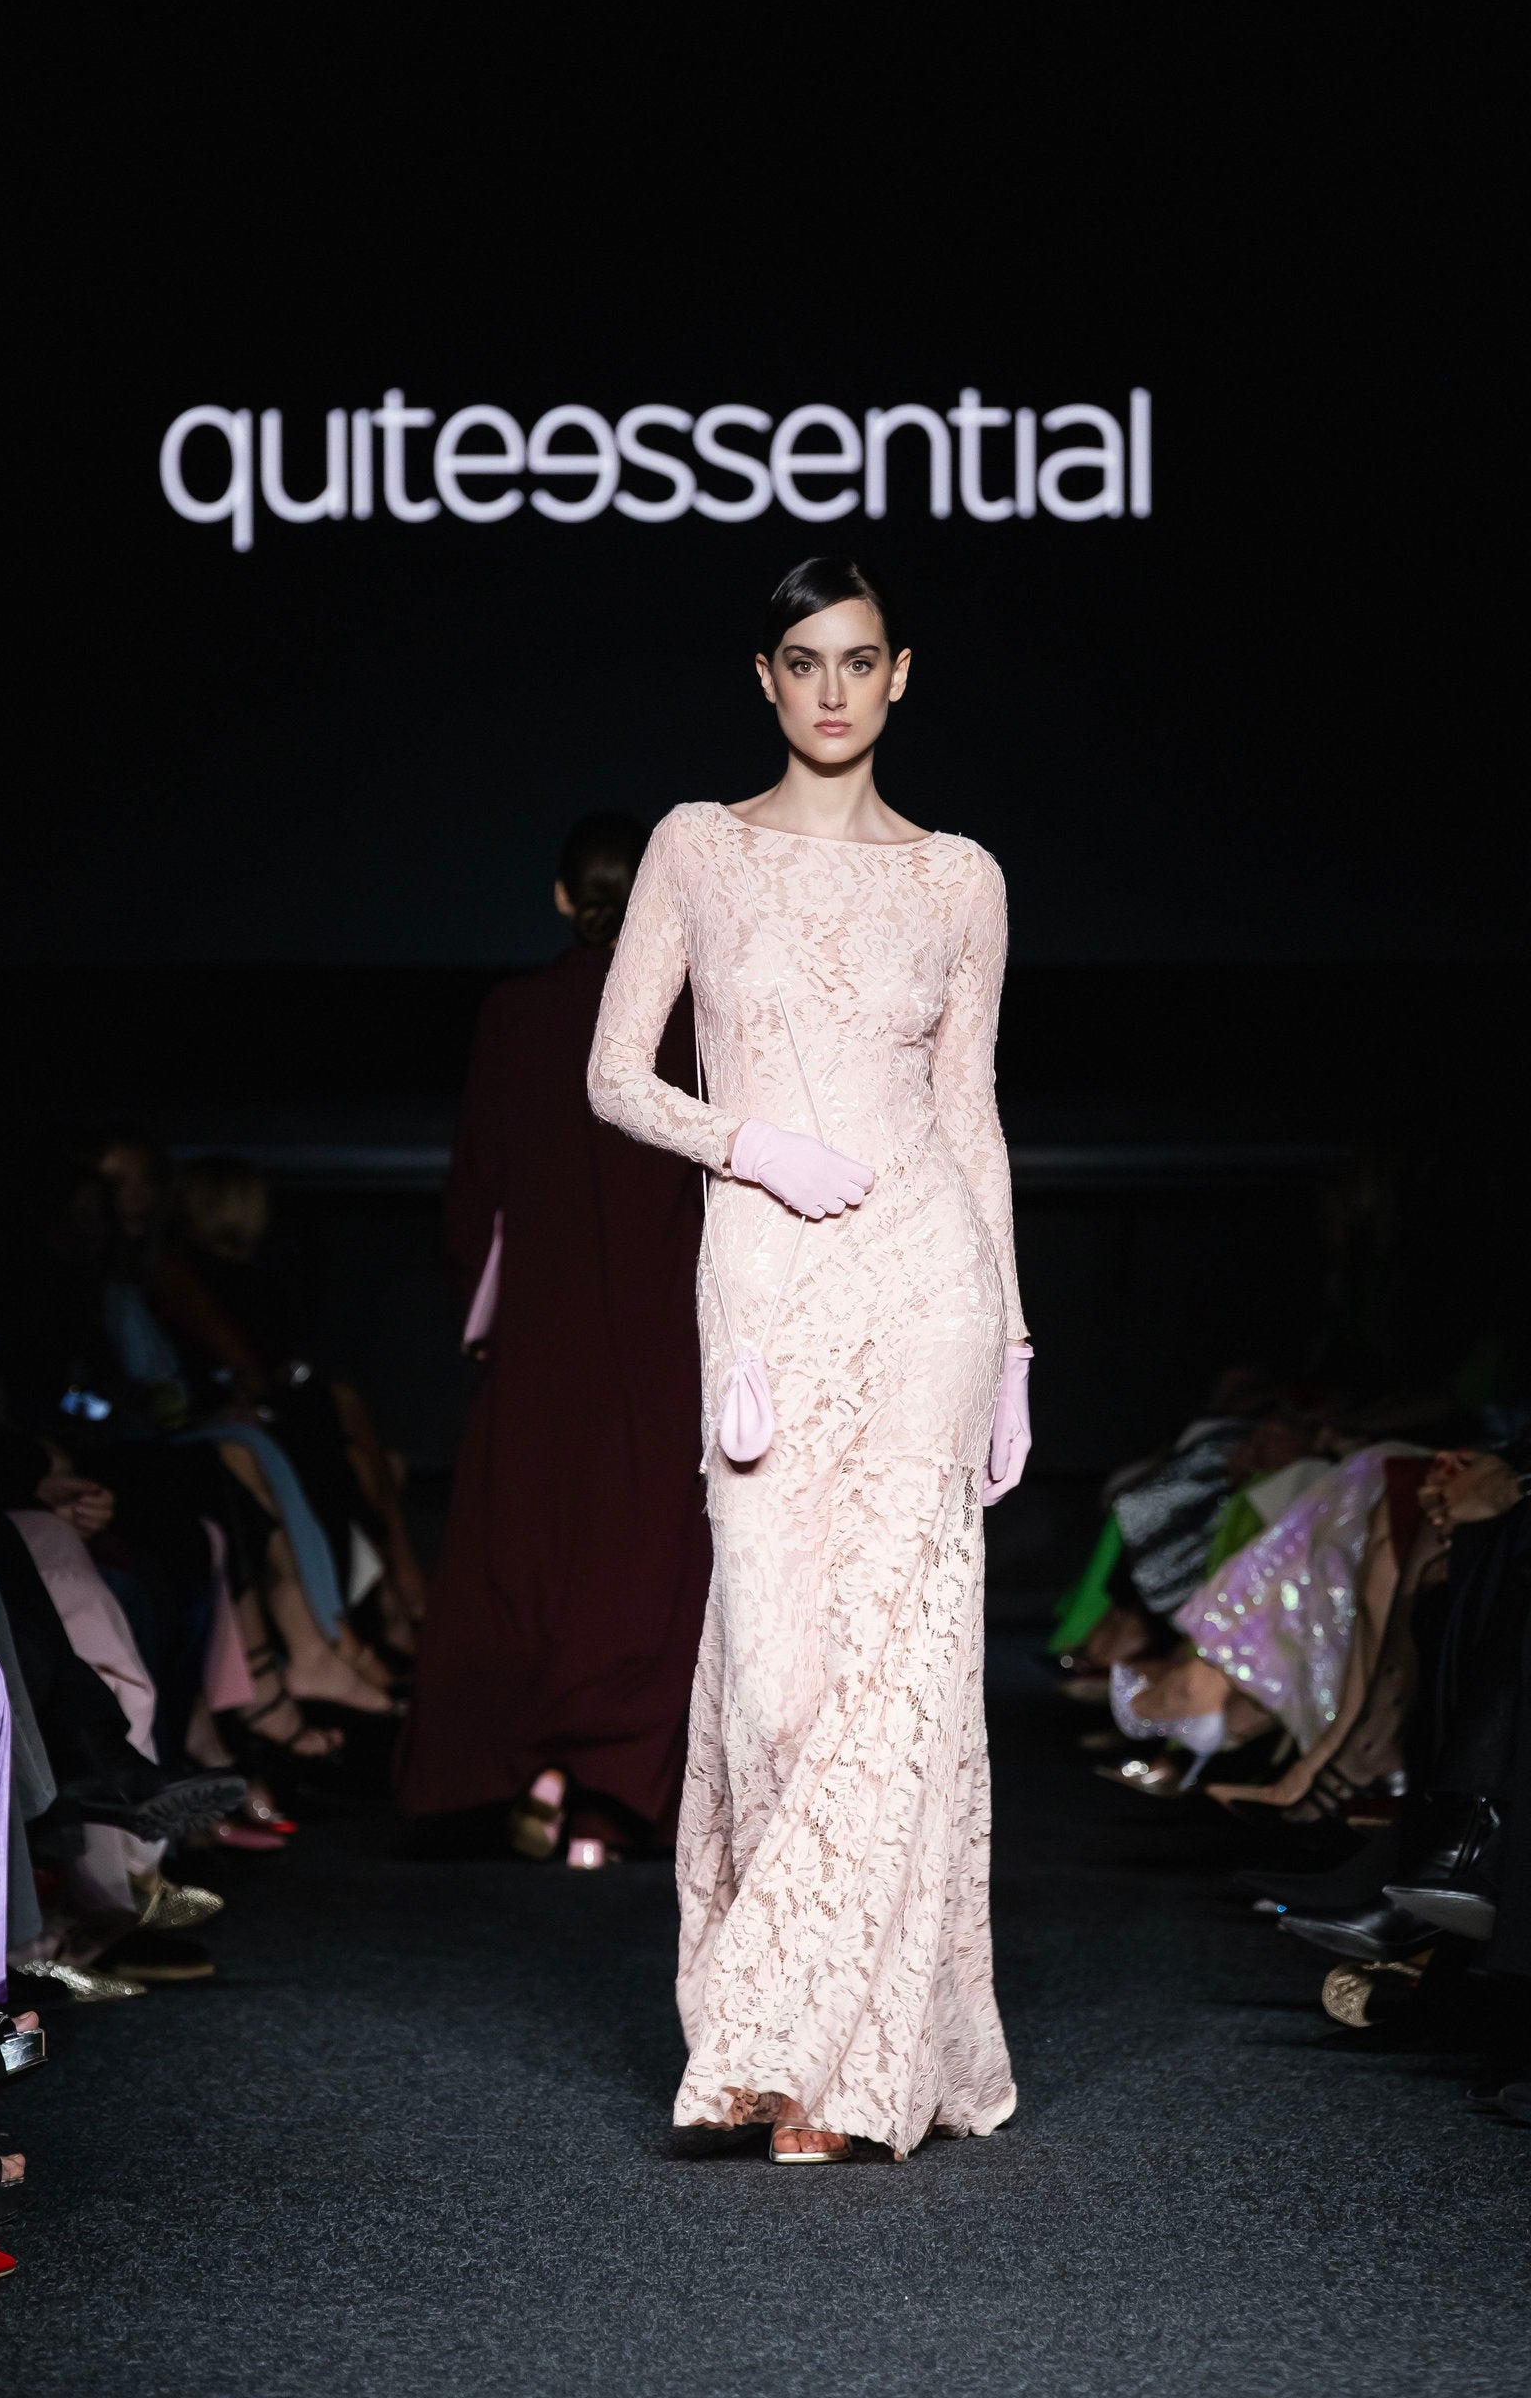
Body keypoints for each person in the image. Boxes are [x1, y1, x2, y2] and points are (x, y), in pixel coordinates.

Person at [586, 557, 1033, 2162]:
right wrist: (752, 1144)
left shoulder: (960, 879)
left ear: (900, 674)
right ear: (764, 678)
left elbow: (971, 1114)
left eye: (859, 660)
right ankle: (782, 2028)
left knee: (898, 1676)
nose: (832, 689)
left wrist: (1014, 1345)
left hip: (928, 1291)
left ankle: (823, 2074)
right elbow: (615, 1075)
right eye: (803, 660)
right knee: (779, 1684)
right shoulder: (698, 849)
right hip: (770, 1281)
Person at [396, 813, 712, 1863]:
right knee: (643, 1553)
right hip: (664, 1327)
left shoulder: (516, 1012)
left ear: (563, 896)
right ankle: (603, 1802)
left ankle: (536, 1768)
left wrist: (476, 1309)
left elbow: (477, 1182)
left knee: (532, 1550)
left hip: (544, 1326)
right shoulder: (698, 1019)